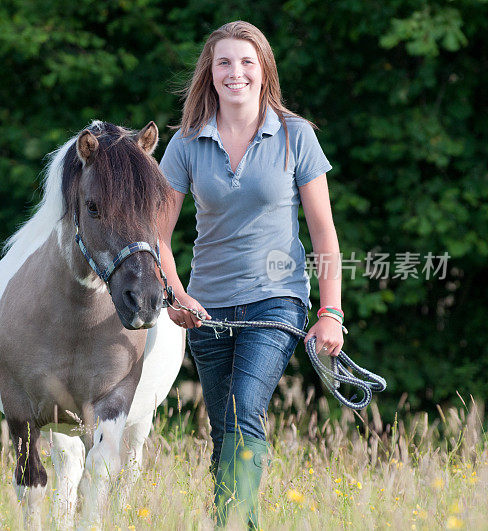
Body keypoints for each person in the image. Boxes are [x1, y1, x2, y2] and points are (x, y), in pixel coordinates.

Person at [158, 21, 346, 528]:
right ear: (210, 73)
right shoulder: (185, 143)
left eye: (246, 61)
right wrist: (176, 296)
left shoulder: (294, 135)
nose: (235, 72)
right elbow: (158, 237)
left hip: (275, 299)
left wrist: (331, 312)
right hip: (207, 309)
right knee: (224, 431)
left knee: (243, 415)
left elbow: (324, 234)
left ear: (264, 71)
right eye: (224, 62)